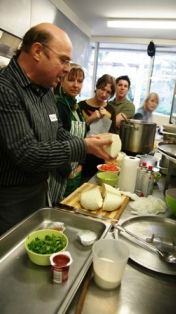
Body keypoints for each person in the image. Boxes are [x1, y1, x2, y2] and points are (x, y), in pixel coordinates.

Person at [0, 23, 116, 236]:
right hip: (10, 201)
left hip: (40, 191)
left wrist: (90, 142)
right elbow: (28, 154)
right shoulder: (5, 89)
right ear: (37, 51)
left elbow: (57, 131)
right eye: (63, 60)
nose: (67, 69)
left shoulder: (45, 91)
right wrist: (82, 146)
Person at [49, 63, 86, 204]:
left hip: (76, 168)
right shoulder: (59, 105)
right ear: (61, 81)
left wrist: (80, 163)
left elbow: (81, 136)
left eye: (80, 81)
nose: (76, 85)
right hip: (60, 171)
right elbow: (55, 140)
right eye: (71, 80)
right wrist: (67, 171)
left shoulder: (76, 107)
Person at [79, 74, 117, 177]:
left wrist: (105, 119)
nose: (104, 94)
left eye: (108, 92)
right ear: (97, 87)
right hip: (82, 154)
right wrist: (90, 119)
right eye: (102, 89)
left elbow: (112, 136)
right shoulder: (81, 106)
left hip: (100, 156)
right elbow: (75, 131)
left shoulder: (111, 110)